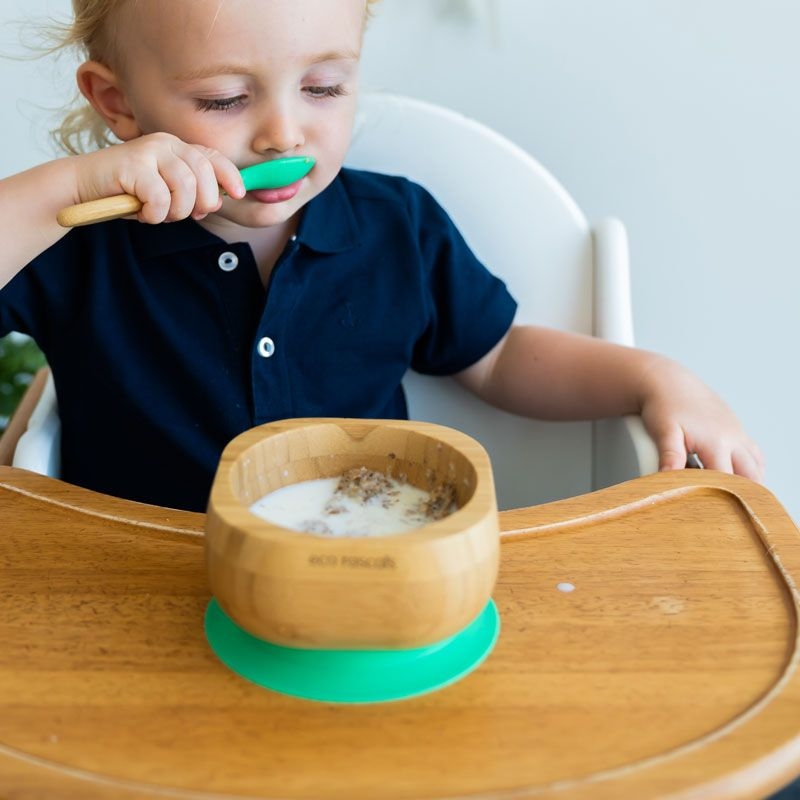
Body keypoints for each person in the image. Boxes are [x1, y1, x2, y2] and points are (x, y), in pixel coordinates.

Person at [0, 0, 763, 512]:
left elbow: (499, 359)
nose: (284, 135)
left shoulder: (397, 226)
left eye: (324, 87)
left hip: (363, 569)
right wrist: (67, 185)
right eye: (226, 99)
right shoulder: (73, 241)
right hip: (140, 585)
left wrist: (656, 377)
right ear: (117, 102)